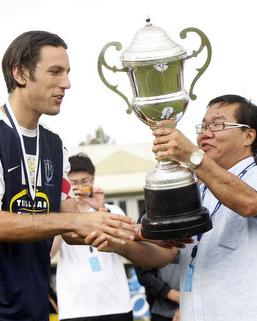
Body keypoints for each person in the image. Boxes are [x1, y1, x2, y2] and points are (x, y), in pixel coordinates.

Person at [0, 30, 136, 321]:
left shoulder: (55, 146)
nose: (67, 83)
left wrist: (133, 232)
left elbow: (73, 228)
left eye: (68, 72)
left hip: (35, 305)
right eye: (55, 72)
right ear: (20, 73)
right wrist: (75, 219)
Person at [87, 94, 257, 321]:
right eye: (203, 126)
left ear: (249, 135)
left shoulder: (250, 177)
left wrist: (192, 156)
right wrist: (121, 244)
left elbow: (250, 203)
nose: (205, 133)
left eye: (217, 124)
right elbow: (167, 253)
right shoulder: (200, 188)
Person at [51, 153, 133, 321]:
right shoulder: (59, 215)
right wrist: (60, 217)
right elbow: (50, 253)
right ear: (66, 184)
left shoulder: (113, 211)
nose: (79, 187)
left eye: (85, 181)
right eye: (73, 183)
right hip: (75, 308)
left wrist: (100, 209)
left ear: (93, 180)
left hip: (116, 303)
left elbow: (127, 242)